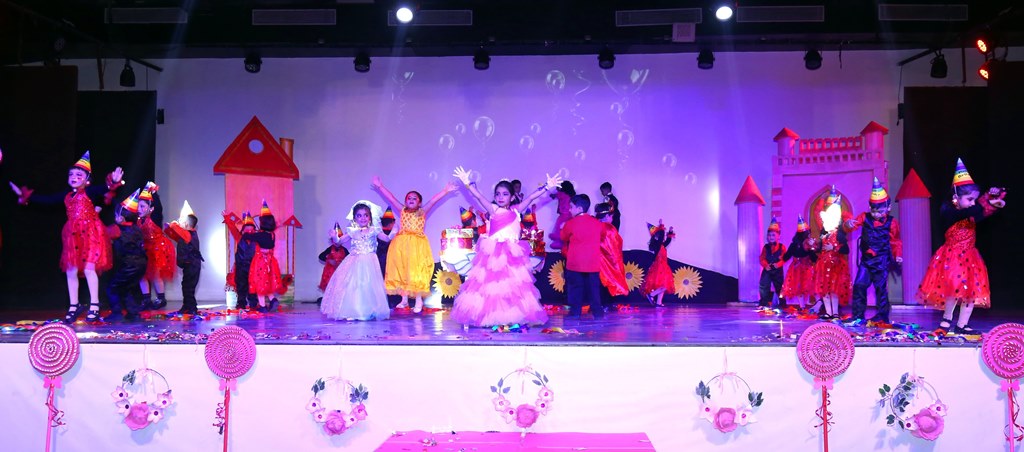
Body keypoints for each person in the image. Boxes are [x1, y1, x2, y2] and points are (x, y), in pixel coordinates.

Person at [14, 151, 122, 323]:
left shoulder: (90, 192)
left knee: (89, 269)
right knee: (71, 270)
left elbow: (104, 188)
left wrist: (113, 182)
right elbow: (48, 200)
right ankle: (74, 305)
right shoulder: (66, 195)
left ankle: (94, 305)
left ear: (86, 179)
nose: (74, 177)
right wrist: (27, 196)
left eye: (79, 175)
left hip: (91, 234)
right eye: (71, 175)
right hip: (73, 236)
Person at [449, 166, 559, 327]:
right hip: (493, 253)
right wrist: (467, 182)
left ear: (512, 197)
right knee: (491, 287)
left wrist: (547, 187)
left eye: (505, 194)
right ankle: (489, 316)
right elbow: (478, 196)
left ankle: (510, 315)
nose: (501, 197)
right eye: (498, 194)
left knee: (512, 287)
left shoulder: (516, 210)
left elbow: (530, 198)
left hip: (512, 254)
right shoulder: (493, 209)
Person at [918, 159, 1006, 334]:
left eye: (974, 199)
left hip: (970, 257)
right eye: (969, 199)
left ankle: (962, 324)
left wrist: (993, 197)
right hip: (952, 257)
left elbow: (980, 213)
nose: (973, 202)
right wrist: (987, 200)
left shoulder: (970, 211)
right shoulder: (949, 211)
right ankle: (946, 320)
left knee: (971, 292)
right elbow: (971, 211)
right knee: (953, 290)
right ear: (956, 196)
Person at [371, 176, 456, 313]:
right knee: (403, 270)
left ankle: (418, 300)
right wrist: (380, 186)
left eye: (414, 198)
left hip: (417, 245)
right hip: (402, 245)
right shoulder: (402, 210)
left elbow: (433, 200)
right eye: (409, 198)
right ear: (405, 202)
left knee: (416, 272)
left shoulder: (422, 211)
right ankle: (404, 300)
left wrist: (445, 191)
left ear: (420, 203)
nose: (411, 200)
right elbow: (391, 198)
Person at [843, 178, 902, 326]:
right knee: (859, 285)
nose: (876, 214)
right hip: (866, 261)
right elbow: (851, 226)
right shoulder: (865, 217)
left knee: (881, 289)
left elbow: (895, 241)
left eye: (880, 211)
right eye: (873, 211)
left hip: (881, 261)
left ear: (888, 208)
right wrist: (848, 224)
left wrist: (898, 255)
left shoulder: (892, 222)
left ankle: (882, 316)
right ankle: (857, 315)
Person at [321, 201, 394, 321]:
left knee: (369, 286)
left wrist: (393, 232)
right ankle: (354, 310)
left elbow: (386, 239)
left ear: (370, 217)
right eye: (359, 215)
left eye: (366, 215)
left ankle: (369, 310)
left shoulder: (374, 230)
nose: (363, 218)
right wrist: (334, 236)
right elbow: (339, 242)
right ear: (354, 218)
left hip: (370, 261)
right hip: (355, 261)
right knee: (354, 286)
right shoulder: (352, 231)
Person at [104, 190, 147, 322]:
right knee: (126, 287)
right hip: (141, 264)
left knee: (112, 287)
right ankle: (133, 313)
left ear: (121, 218)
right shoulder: (137, 229)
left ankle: (117, 313)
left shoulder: (116, 229)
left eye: (116, 215)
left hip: (129, 265)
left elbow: (103, 233)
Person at [560, 194, 604, 320]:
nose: (569, 210)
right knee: (594, 290)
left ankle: (575, 313)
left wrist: (562, 228)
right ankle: (597, 314)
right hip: (592, 263)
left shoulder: (570, 223)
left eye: (571, 207)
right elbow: (602, 236)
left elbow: (563, 237)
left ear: (579, 209)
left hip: (575, 263)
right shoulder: (597, 223)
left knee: (575, 290)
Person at [813, 187, 851, 320]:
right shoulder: (824, 235)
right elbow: (819, 249)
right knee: (825, 290)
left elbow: (846, 249)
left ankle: (835, 313)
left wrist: (834, 248)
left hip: (836, 268)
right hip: (824, 267)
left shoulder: (839, 234)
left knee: (834, 290)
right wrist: (814, 246)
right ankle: (828, 312)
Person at [137, 182, 175, 310]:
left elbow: (158, 208)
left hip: (158, 249)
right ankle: (146, 299)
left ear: (150, 208)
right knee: (142, 274)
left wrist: (154, 193)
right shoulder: (138, 220)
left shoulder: (155, 218)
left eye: (143, 206)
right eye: (138, 206)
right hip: (145, 249)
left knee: (155, 275)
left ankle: (161, 298)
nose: (139, 209)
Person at [166, 202, 203, 316]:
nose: (179, 222)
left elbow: (174, 227)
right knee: (186, 286)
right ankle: (186, 306)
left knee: (188, 287)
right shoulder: (186, 235)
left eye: (181, 220)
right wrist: (168, 229)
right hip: (189, 265)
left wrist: (173, 223)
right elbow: (174, 235)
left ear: (186, 224)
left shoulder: (188, 234)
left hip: (192, 265)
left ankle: (192, 308)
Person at [246, 200, 283, 312]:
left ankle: (262, 307)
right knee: (267, 282)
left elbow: (248, 237)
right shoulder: (272, 235)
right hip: (270, 262)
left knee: (259, 283)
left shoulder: (260, 235)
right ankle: (273, 299)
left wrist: (247, 232)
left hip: (260, 262)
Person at [595, 202, 629, 310]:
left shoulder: (594, 226)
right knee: (608, 281)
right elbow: (613, 247)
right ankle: (605, 304)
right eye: (611, 216)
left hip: (595, 261)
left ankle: (600, 305)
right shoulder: (608, 229)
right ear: (606, 216)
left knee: (600, 284)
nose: (612, 219)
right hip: (606, 261)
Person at [223, 210, 258, 310]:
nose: (249, 232)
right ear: (242, 231)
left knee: (252, 286)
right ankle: (241, 303)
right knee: (241, 285)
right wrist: (227, 217)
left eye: (252, 230)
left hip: (252, 267)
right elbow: (232, 228)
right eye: (247, 230)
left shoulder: (256, 241)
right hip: (241, 267)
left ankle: (253, 304)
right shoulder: (239, 238)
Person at [781, 215, 817, 311]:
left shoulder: (805, 244)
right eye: (808, 233)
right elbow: (787, 256)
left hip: (802, 268)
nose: (809, 235)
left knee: (803, 287)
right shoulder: (797, 245)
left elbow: (786, 256)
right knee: (801, 287)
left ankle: (804, 306)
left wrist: (812, 249)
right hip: (799, 268)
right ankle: (803, 306)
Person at [641, 220, 675, 307]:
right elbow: (661, 238)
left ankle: (658, 303)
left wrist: (670, 231)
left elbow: (667, 240)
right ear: (657, 237)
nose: (662, 238)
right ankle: (651, 295)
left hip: (663, 266)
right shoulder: (657, 245)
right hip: (659, 266)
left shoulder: (662, 245)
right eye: (660, 236)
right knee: (665, 286)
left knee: (663, 285)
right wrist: (661, 227)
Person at [314, 222, 349, 305]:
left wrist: (342, 262)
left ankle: (339, 302)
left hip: (340, 271)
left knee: (340, 286)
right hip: (330, 272)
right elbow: (321, 256)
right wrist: (329, 260)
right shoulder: (329, 249)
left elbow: (349, 258)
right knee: (330, 286)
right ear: (332, 241)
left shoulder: (344, 250)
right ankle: (329, 302)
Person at [757, 217, 787, 310]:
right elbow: (762, 258)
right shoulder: (765, 247)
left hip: (777, 270)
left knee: (780, 287)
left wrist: (778, 264)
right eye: (769, 235)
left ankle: (782, 304)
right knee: (764, 285)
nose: (771, 237)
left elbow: (784, 258)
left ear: (778, 236)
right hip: (767, 269)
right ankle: (764, 303)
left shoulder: (782, 247)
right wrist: (765, 265)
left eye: (773, 235)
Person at [548, 180, 575, 249]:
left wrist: (555, 189)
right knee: (568, 233)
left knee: (560, 231)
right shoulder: (571, 196)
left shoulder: (562, 194)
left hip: (564, 215)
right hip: (570, 215)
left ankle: (562, 246)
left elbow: (553, 195)